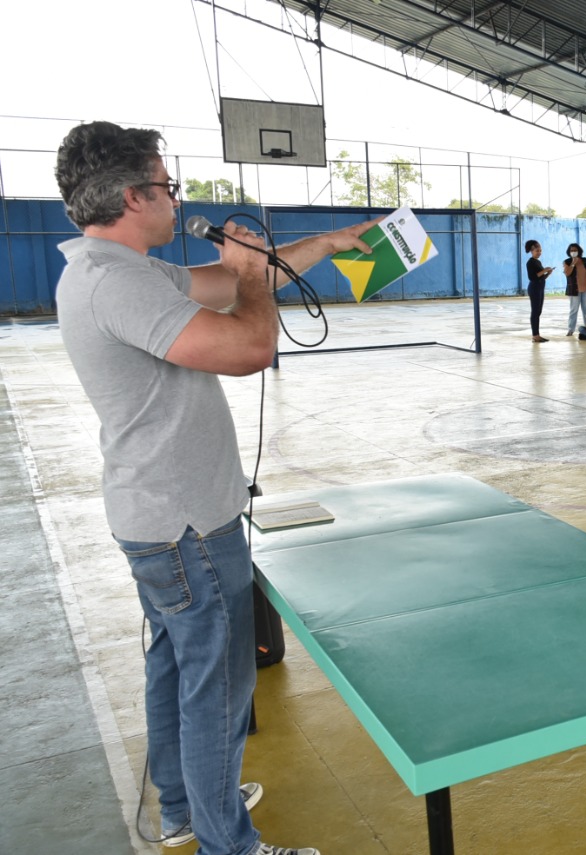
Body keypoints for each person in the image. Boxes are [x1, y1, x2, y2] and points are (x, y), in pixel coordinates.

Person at [53, 121, 376, 855]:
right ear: (134, 196)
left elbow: (230, 281)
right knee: (218, 691)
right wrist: (257, 278)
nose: (176, 198)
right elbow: (250, 344)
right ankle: (227, 842)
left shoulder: (114, 269)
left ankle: (184, 807)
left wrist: (312, 250)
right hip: (187, 527)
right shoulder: (118, 285)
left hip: (160, 518)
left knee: (175, 666)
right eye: (166, 186)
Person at [563, 242, 586, 336]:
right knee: (574, 309)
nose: (573, 252)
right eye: (571, 250)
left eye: (575, 250)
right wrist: (573, 263)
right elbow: (567, 273)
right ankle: (571, 329)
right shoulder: (567, 262)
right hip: (574, 290)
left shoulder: (585, 260)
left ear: (579, 251)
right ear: (569, 252)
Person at [524, 239, 553, 342]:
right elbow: (532, 277)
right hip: (534, 289)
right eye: (537, 251)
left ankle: (536, 334)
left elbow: (540, 277)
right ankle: (535, 335)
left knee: (538, 311)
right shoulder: (530, 262)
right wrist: (544, 270)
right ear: (531, 251)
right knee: (535, 311)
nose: (539, 252)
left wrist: (547, 274)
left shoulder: (538, 262)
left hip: (540, 288)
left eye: (540, 250)